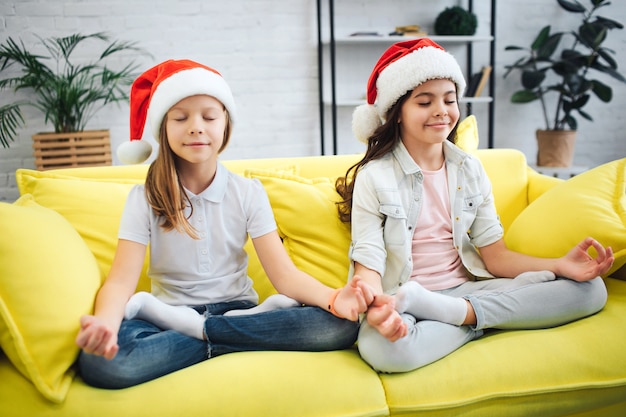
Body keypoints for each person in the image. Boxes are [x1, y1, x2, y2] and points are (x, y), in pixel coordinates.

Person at [75, 59, 373, 388]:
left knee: (342, 326)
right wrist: (105, 322)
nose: (196, 127)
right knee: (102, 364)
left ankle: (205, 333)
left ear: (225, 124)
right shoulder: (143, 197)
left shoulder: (247, 192)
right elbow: (120, 283)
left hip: (238, 310)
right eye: (180, 117)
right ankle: (225, 339)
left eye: (208, 116)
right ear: (164, 127)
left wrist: (334, 299)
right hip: (168, 316)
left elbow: (285, 276)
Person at [335, 39, 614, 373]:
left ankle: (462, 315)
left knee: (591, 291)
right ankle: (480, 317)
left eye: (449, 100)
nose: (441, 110)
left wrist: (559, 265)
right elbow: (368, 263)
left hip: (468, 289)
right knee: (383, 351)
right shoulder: (374, 177)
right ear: (396, 113)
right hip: (404, 296)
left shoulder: (469, 169)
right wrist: (380, 306)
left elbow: (496, 257)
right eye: (425, 102)